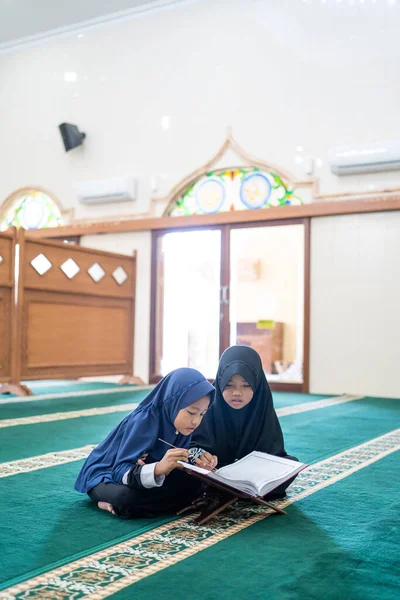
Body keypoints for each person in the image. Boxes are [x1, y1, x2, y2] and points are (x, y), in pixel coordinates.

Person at [74, 368, 215, 518]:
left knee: (194, 486)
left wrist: (197, 464)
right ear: (173, 402)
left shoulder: (183, 425)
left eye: (202, 414)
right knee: (126, 498)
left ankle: (130, 508)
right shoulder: (145, 421)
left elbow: (171, 467)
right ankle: (113, 504)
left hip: (142, 475)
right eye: (191, 412)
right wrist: (159, 468)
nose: (196, 421)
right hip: (107, 474)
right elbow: (119, 471)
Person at [190, 345, 298, 500]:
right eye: (229, 384)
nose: (237, 392)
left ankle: (237, 491)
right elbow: (191, 446)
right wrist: (201, 456)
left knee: (290, 465)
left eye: (246, 385)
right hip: (215, 472)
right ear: (220, 381)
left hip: (254, 476)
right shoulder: (208, 408)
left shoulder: (262, 406)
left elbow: (274, 455)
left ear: (257, 383)